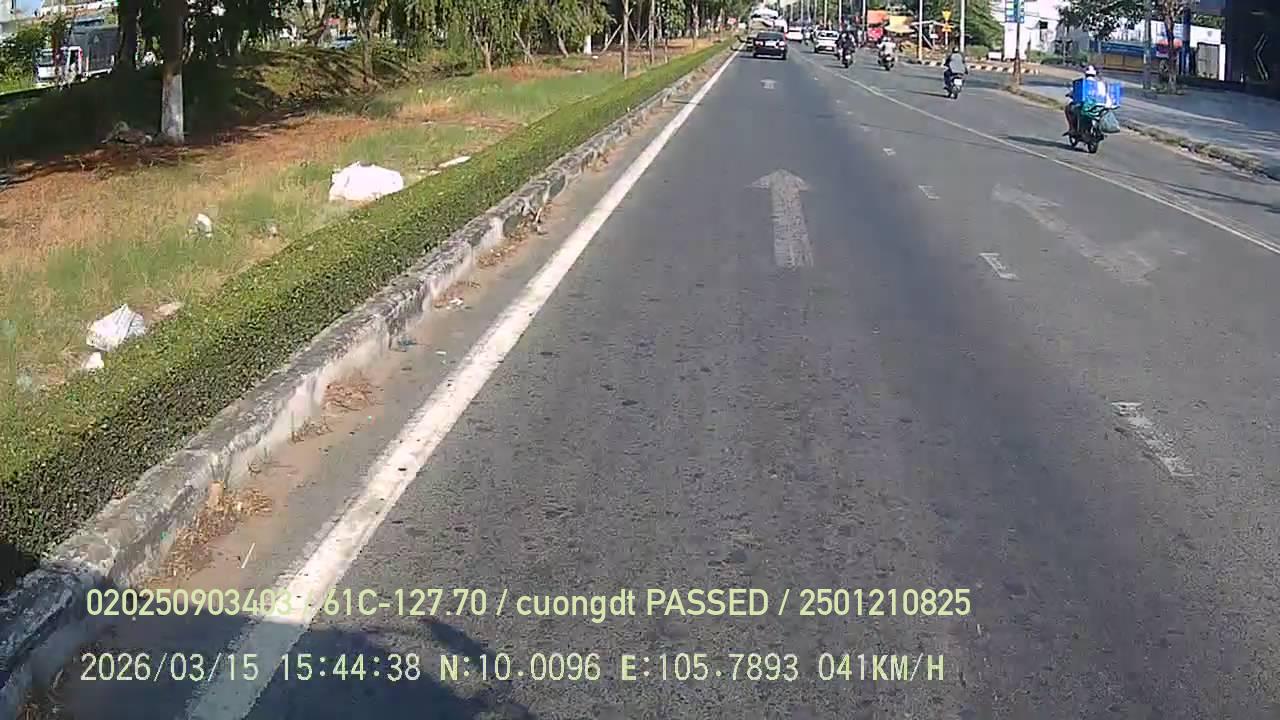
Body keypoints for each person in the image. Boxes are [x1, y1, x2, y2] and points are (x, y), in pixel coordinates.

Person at [1064, 64, 1098, 136]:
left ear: (1086, 74)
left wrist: (1070, 94)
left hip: (1083, 105)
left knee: (1068, 108)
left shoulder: (1082, 83)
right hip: (1096, 106)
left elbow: (1075, 93)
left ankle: (1072, 128)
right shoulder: (1098, 84)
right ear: (1094, 74)